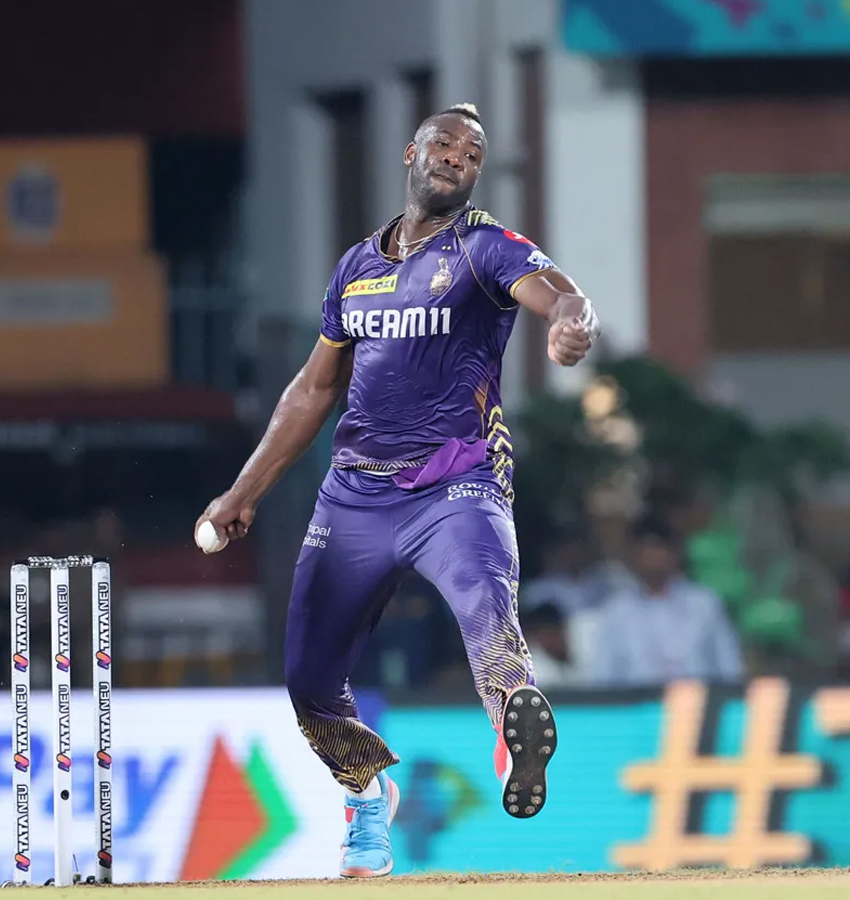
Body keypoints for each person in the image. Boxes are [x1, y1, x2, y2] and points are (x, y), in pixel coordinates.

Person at [196, 103, 599, 878]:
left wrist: (571, 323)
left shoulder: (485, 246)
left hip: (458, 481)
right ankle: (366, 795)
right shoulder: (356, 266)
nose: (457, 158)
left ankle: (512, 726)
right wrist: (243, 491)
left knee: (487, 606)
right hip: (355, 494)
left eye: (472, 154)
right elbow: (313, 390)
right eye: (444, 144)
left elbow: (561, 293)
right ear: (411, 154)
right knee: (310, 681)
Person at [588, 515, 744, 688]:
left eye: (657, 548)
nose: (651, 557)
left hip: (697, 701)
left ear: (673, 553)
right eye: (644, 550)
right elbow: (603, 678)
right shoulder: (617, 611)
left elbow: (729, 669)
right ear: (633, 556)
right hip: (636, 703)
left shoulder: (704, 605)